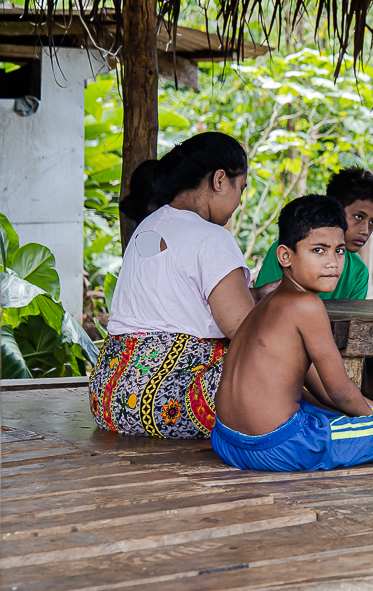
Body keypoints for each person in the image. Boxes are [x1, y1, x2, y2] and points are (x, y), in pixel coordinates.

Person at [212, 196, 373, 471]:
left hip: (226, 440)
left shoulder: (269, 302)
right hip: (276, 447)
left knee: (324, 411)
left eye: (339, 251)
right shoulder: (307, 305)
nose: (333, 262)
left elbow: (320, 389)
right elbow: (341, 389)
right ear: (285, 256)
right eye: (319, 250)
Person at [91, 132, 273, 439]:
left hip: (110, 400)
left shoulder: (148, 226)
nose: (239, 202)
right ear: (219, 180)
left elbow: (183, 300)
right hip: (168, 403)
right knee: (275, 349)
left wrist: (261, 293)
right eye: (240, 188)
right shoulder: (213, 237)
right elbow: (242, 327)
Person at [253, 167, 373, 299]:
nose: (365, 230)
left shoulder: (359, 272)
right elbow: (263, 305)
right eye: (358, 217)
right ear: (335, 209)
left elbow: (352, 320)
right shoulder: (289, 250)